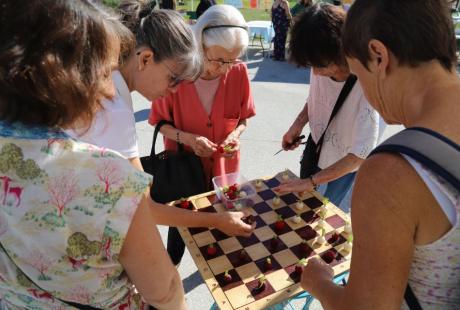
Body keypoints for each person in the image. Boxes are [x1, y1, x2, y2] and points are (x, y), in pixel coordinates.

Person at [0, 1, 186, 308]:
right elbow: (163, 290)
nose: (110, 91)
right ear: (63, 76)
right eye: (103, 74)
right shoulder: (108, 177)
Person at [297, 0, 460, 308]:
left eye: (358, 73)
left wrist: (319, 284)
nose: (367, 94)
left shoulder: (392, 172)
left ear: (378, 55)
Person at [68, 0, 255, 267]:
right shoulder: (115, 108)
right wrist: (215, 220)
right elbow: (142, 209)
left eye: (231, 61)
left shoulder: (103, 82)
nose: (177, 90)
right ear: (145, 58)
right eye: (174, 80)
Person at [149, 4, 256, 265]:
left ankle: (218, 270)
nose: (224, 68)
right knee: (181, 226)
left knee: (223, 223)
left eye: (231, 60)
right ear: (200, 46)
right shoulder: (178, 73)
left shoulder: (238, 71)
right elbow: (158, 123)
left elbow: (244, 119)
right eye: (218, 60)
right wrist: (188, 139)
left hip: (223, 171)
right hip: (183, 169)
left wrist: (236, 135)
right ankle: (170, 269)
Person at [276, 3, 383, 210]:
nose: (315, 73)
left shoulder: (367, 83)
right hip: (316, 145)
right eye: (311, 66)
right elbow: (317, 98)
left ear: (343, 53)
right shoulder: (321, 58)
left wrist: (311, 182)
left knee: (323, 212)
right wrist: (297, 125)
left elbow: (359, 156)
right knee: (304, 207)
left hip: (344, 163)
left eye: (321, 66)